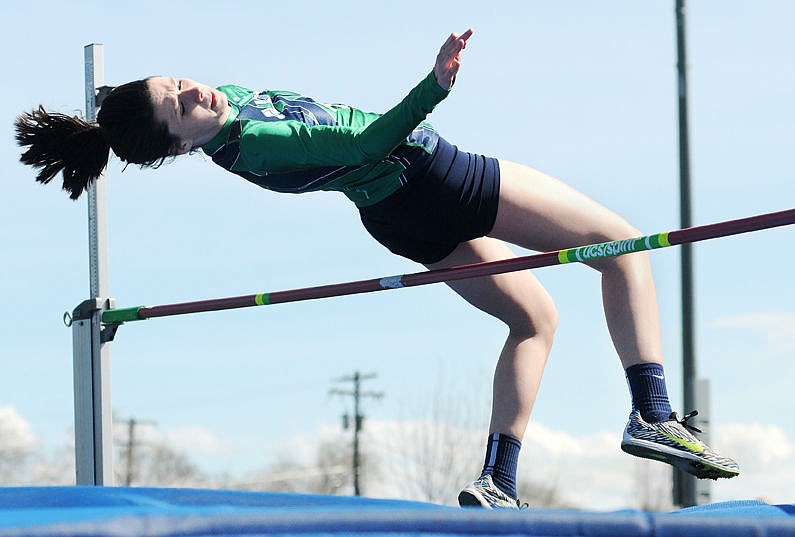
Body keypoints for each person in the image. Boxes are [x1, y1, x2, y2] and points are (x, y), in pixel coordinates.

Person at [15, 29, 739, 508]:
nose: (195, 90)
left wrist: (114, 116)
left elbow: (288, 126)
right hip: (434, 176)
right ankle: (654, 413)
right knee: (623, 247)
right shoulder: (257, 140)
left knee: (535, 319)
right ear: (179, 146)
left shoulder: (225, 120)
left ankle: (497, 481)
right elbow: (369, 137)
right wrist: (434, 86)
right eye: (181, 106)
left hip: (397, 218)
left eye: (179, 80)